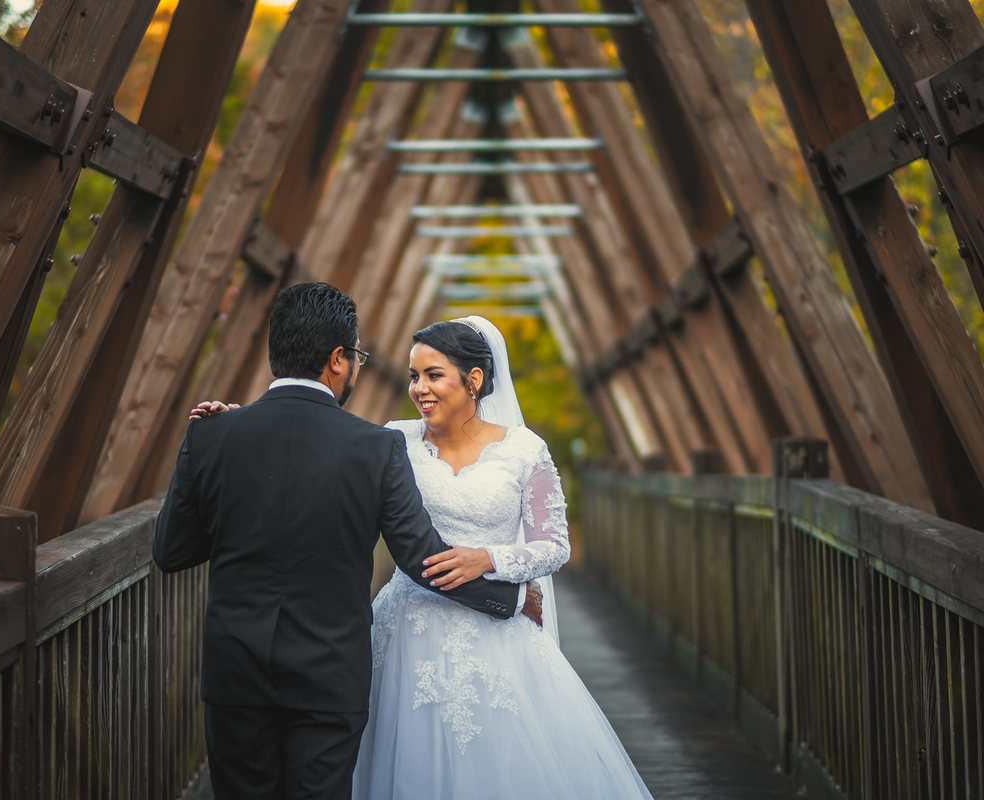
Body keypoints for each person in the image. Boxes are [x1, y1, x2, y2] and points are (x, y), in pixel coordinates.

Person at [195, 314, 653, 798]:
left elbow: (555, 545)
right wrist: (243, 422)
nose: (419, 388)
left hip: (497, 640)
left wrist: (490, 560)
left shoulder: (523, 449)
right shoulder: (395, 439)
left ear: (474, 380)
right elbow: (322, 447)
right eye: (414, 376)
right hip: (406, 630)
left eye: (434, 375)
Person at [153, 283, 535, 800]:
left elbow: (171, 552)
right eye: (356, 357)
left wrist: (202, 448)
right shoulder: (376, 448)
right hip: (328, 675)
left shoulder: (212, 434)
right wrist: (507, 597)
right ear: (337, 360)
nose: (357, 367)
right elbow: (423, 558)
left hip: (235, 672)